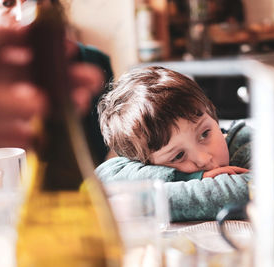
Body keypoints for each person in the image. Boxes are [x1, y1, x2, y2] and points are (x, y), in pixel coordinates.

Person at [96, 66, 252, 222]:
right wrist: (188, 176)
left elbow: (259, 190)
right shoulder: (131, 167)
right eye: (178, 155)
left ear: (212, 113)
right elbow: (103, 177)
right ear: (146, 164)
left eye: (204, 134)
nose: (203, 159)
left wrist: (144, 201)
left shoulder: (248, 142)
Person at [0, 0, 113, 165]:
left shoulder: (93, 62)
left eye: (36, 1)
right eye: (7, 3)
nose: (22, 16)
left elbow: (102, 151)